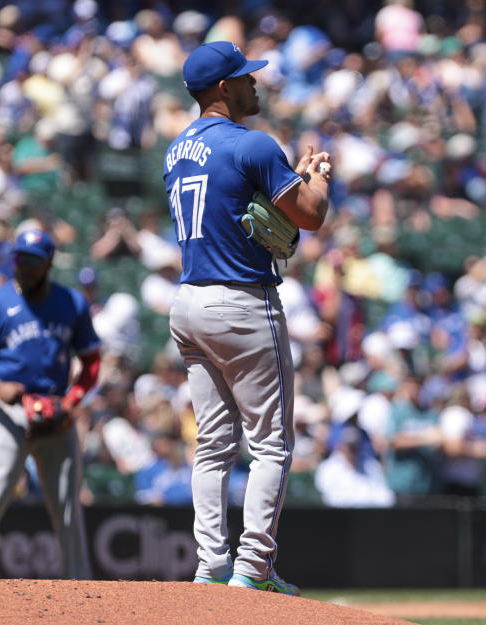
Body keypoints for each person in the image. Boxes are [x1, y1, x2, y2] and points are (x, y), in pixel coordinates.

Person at [165, 41, 330, 594]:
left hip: (188, 301)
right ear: (221, 89)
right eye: (244, 78)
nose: (254, 84)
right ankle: (252, 569)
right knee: (271, 444)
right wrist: (318, 178)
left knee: (212, 443)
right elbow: (310, 217)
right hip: (241, 300)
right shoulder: (253, 144)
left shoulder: (175, 150)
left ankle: (211, 565)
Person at [0, 229, 101, 579]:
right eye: (18, 258)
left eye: (30, 260)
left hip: (57, 413)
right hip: (8, 414)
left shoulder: (71, 303)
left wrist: (73, 401)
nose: (22, 266)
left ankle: (82, 586)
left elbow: (91, 358)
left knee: (67, 507)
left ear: (47, 263)